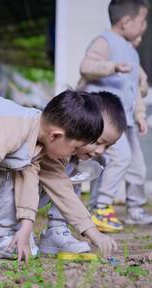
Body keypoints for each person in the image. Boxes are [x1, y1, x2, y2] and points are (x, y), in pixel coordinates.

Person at [0, 89, 118, 262]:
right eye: (74, 148)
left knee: (13, 172)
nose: (72, 155)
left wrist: (92, 232)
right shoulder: (11, 127)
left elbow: (55, 187)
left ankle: (2, 238)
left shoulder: (39, 141)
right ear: (56, 135)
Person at [80, 0, 152, 233]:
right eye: (142, 21)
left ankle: (135, 209)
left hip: (125, 119)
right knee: (120, 157)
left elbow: (136, 87)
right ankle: (101, 206)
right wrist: (112, 66)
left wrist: (140, 113)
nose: (144, 26)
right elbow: (86, 66)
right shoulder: (105, 42)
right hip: (104, 117)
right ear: (126, 21)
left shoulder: (132, 51)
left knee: (136, 165)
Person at [39, 91, 127, 254]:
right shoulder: (55, 149)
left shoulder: (78, 162)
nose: (100, 150)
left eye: (108, 147)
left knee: (75, 178)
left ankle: (57, 229)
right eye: (98, 141)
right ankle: (10, 232)